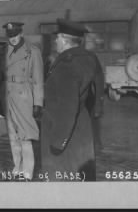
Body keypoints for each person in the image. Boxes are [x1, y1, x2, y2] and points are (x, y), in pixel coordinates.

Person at [40, 18, 104, 181]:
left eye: (57, 37)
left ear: (64, 39)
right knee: (81, 177)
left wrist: (58, 142)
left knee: (60, 180)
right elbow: (98, 86)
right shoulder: (90, 58)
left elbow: (68, 107)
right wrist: (95, 110)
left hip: (63, 131)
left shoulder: (66, 65)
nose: (55, 41)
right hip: (83, 126)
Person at [0, 22, 44, 180]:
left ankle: (27, 172)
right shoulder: (2, 51)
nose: (13, 38)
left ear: (21, 33)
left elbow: (38, 79)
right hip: (8, 96)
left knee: (25, 136)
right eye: (10, 36)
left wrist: (38, 103)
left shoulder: (32, 51)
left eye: (15, 35)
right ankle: (17, 168)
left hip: (24, 95)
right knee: (12, 136)